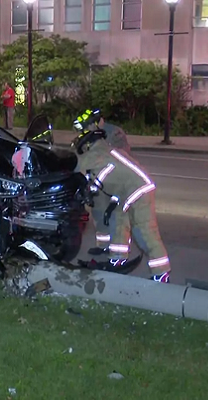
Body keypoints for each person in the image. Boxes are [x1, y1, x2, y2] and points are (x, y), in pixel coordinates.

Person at [71, 110, 171, 283]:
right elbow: (99, 178)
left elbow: (76, 166)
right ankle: (117, 257)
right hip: (124, 192)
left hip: (139, 191)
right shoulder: (102, 150)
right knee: (118, 222)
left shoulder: (96, 154)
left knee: (145, 231)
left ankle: (161, 272)